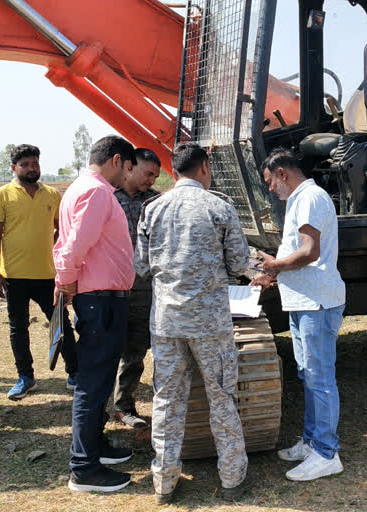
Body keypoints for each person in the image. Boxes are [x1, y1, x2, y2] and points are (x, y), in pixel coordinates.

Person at [134, 143, 251, 504]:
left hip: (166, 323)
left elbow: (140, 267)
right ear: (204, 167)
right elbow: (240, 265)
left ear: (173, 170)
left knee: (166, 400)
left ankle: (164, 484)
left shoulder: (152, 209)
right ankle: (232, 480)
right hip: (210, 325)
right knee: (222, 399)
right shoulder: (219, 207)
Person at [251, 148, 346, 482]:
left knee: (319, 377)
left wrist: (273, 265)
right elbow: (296, 251)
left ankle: (326, 452)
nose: (271, 190)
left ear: (282, 173)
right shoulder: (300, 199)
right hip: (304, 300)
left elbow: (309, 252)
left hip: (316, 303)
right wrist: (272, 273)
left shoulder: (309, 198)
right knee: (308, 375)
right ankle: (311, 441)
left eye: (270, 183)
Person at [53, 135, 136, 493]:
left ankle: (94, 448)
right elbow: (72, 247)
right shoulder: (98, 192)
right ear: (116, 160)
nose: (128, 177)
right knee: (93, 381)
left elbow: (65, 243)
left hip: (101, 298)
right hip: (99, 299)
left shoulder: (78, 189)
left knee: (99, 379)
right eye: (129, 168)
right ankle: (84, 468)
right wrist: (66, 282)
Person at [0, 144, 79, 400]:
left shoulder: (51, 195)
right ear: (13, 168)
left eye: (34, 164)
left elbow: (64, 230)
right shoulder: (1, 195)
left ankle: (75, 374)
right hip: (13, 275)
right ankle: (25, 378)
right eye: (25, 165)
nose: (31, 169)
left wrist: (60, 259)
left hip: (48, 275)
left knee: (62, 325)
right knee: (18, 328)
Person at [112, 148, 161, 429]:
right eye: (148, 173)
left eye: (156, 175)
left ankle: (127, 406)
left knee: (138, 352)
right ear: (129, 168)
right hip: (112, 288)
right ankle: (109, 407)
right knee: (113, 352)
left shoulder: (156, 202)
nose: (152, 180)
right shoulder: (108, 198)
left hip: (146, 289)